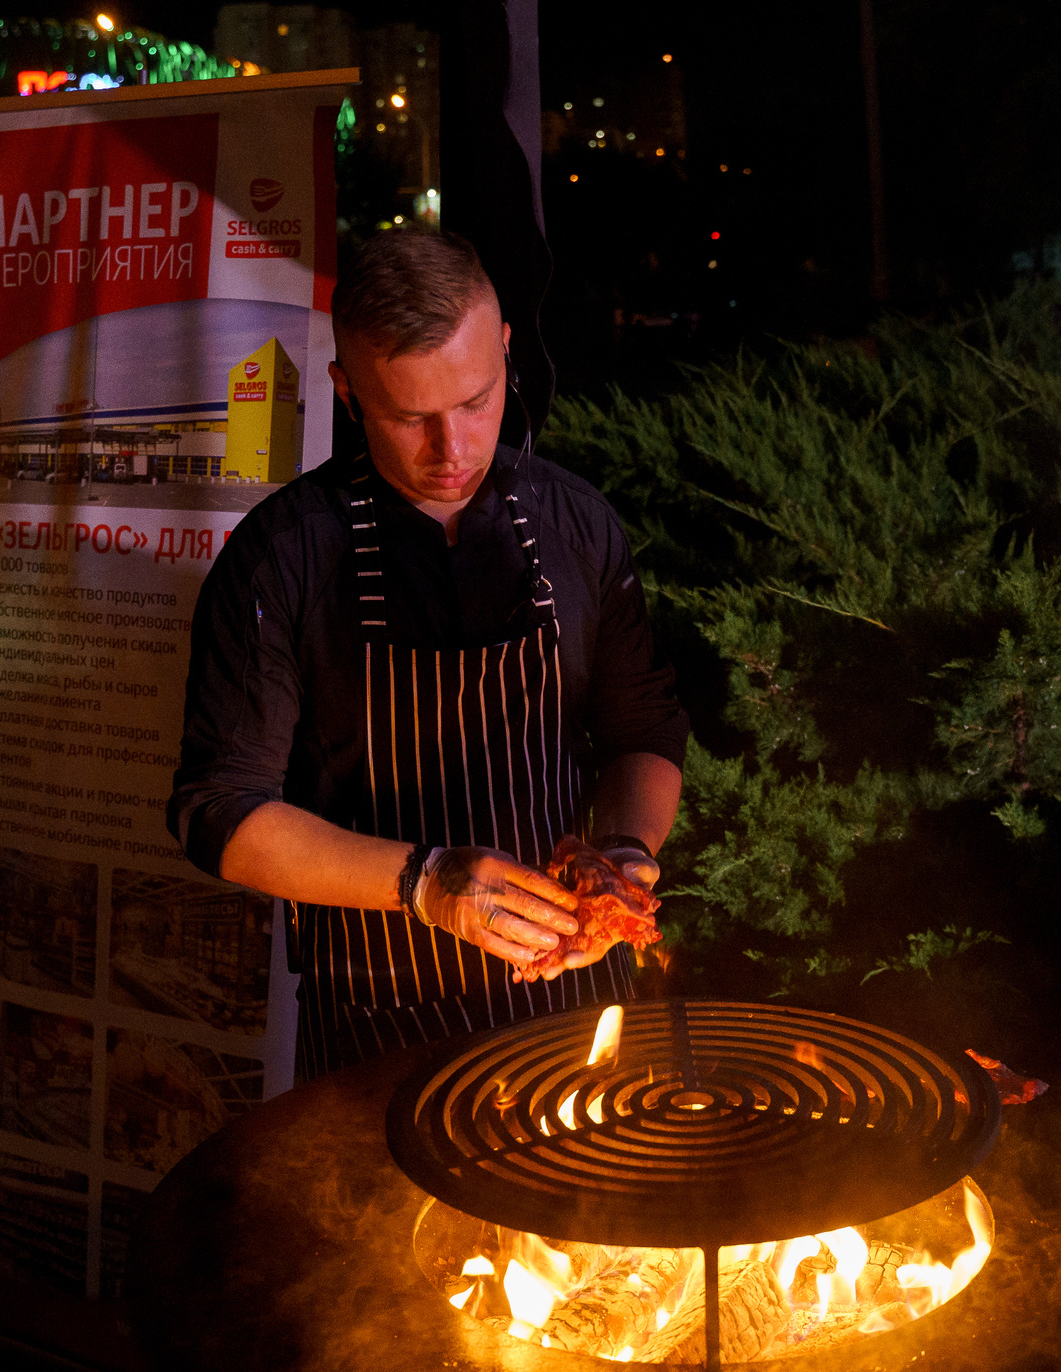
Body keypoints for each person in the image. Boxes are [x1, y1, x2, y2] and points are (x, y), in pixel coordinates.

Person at [170, 229, 688, 1079]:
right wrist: (426, 879)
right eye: (411, 418)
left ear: (506, 350)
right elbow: (219, 814)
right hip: (382, 1023)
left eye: (479, 401)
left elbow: (643, 728)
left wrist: (625, 858)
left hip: (578, 1017)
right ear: (347, 391)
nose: (453, 451)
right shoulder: (283, 557)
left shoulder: (576, 523)